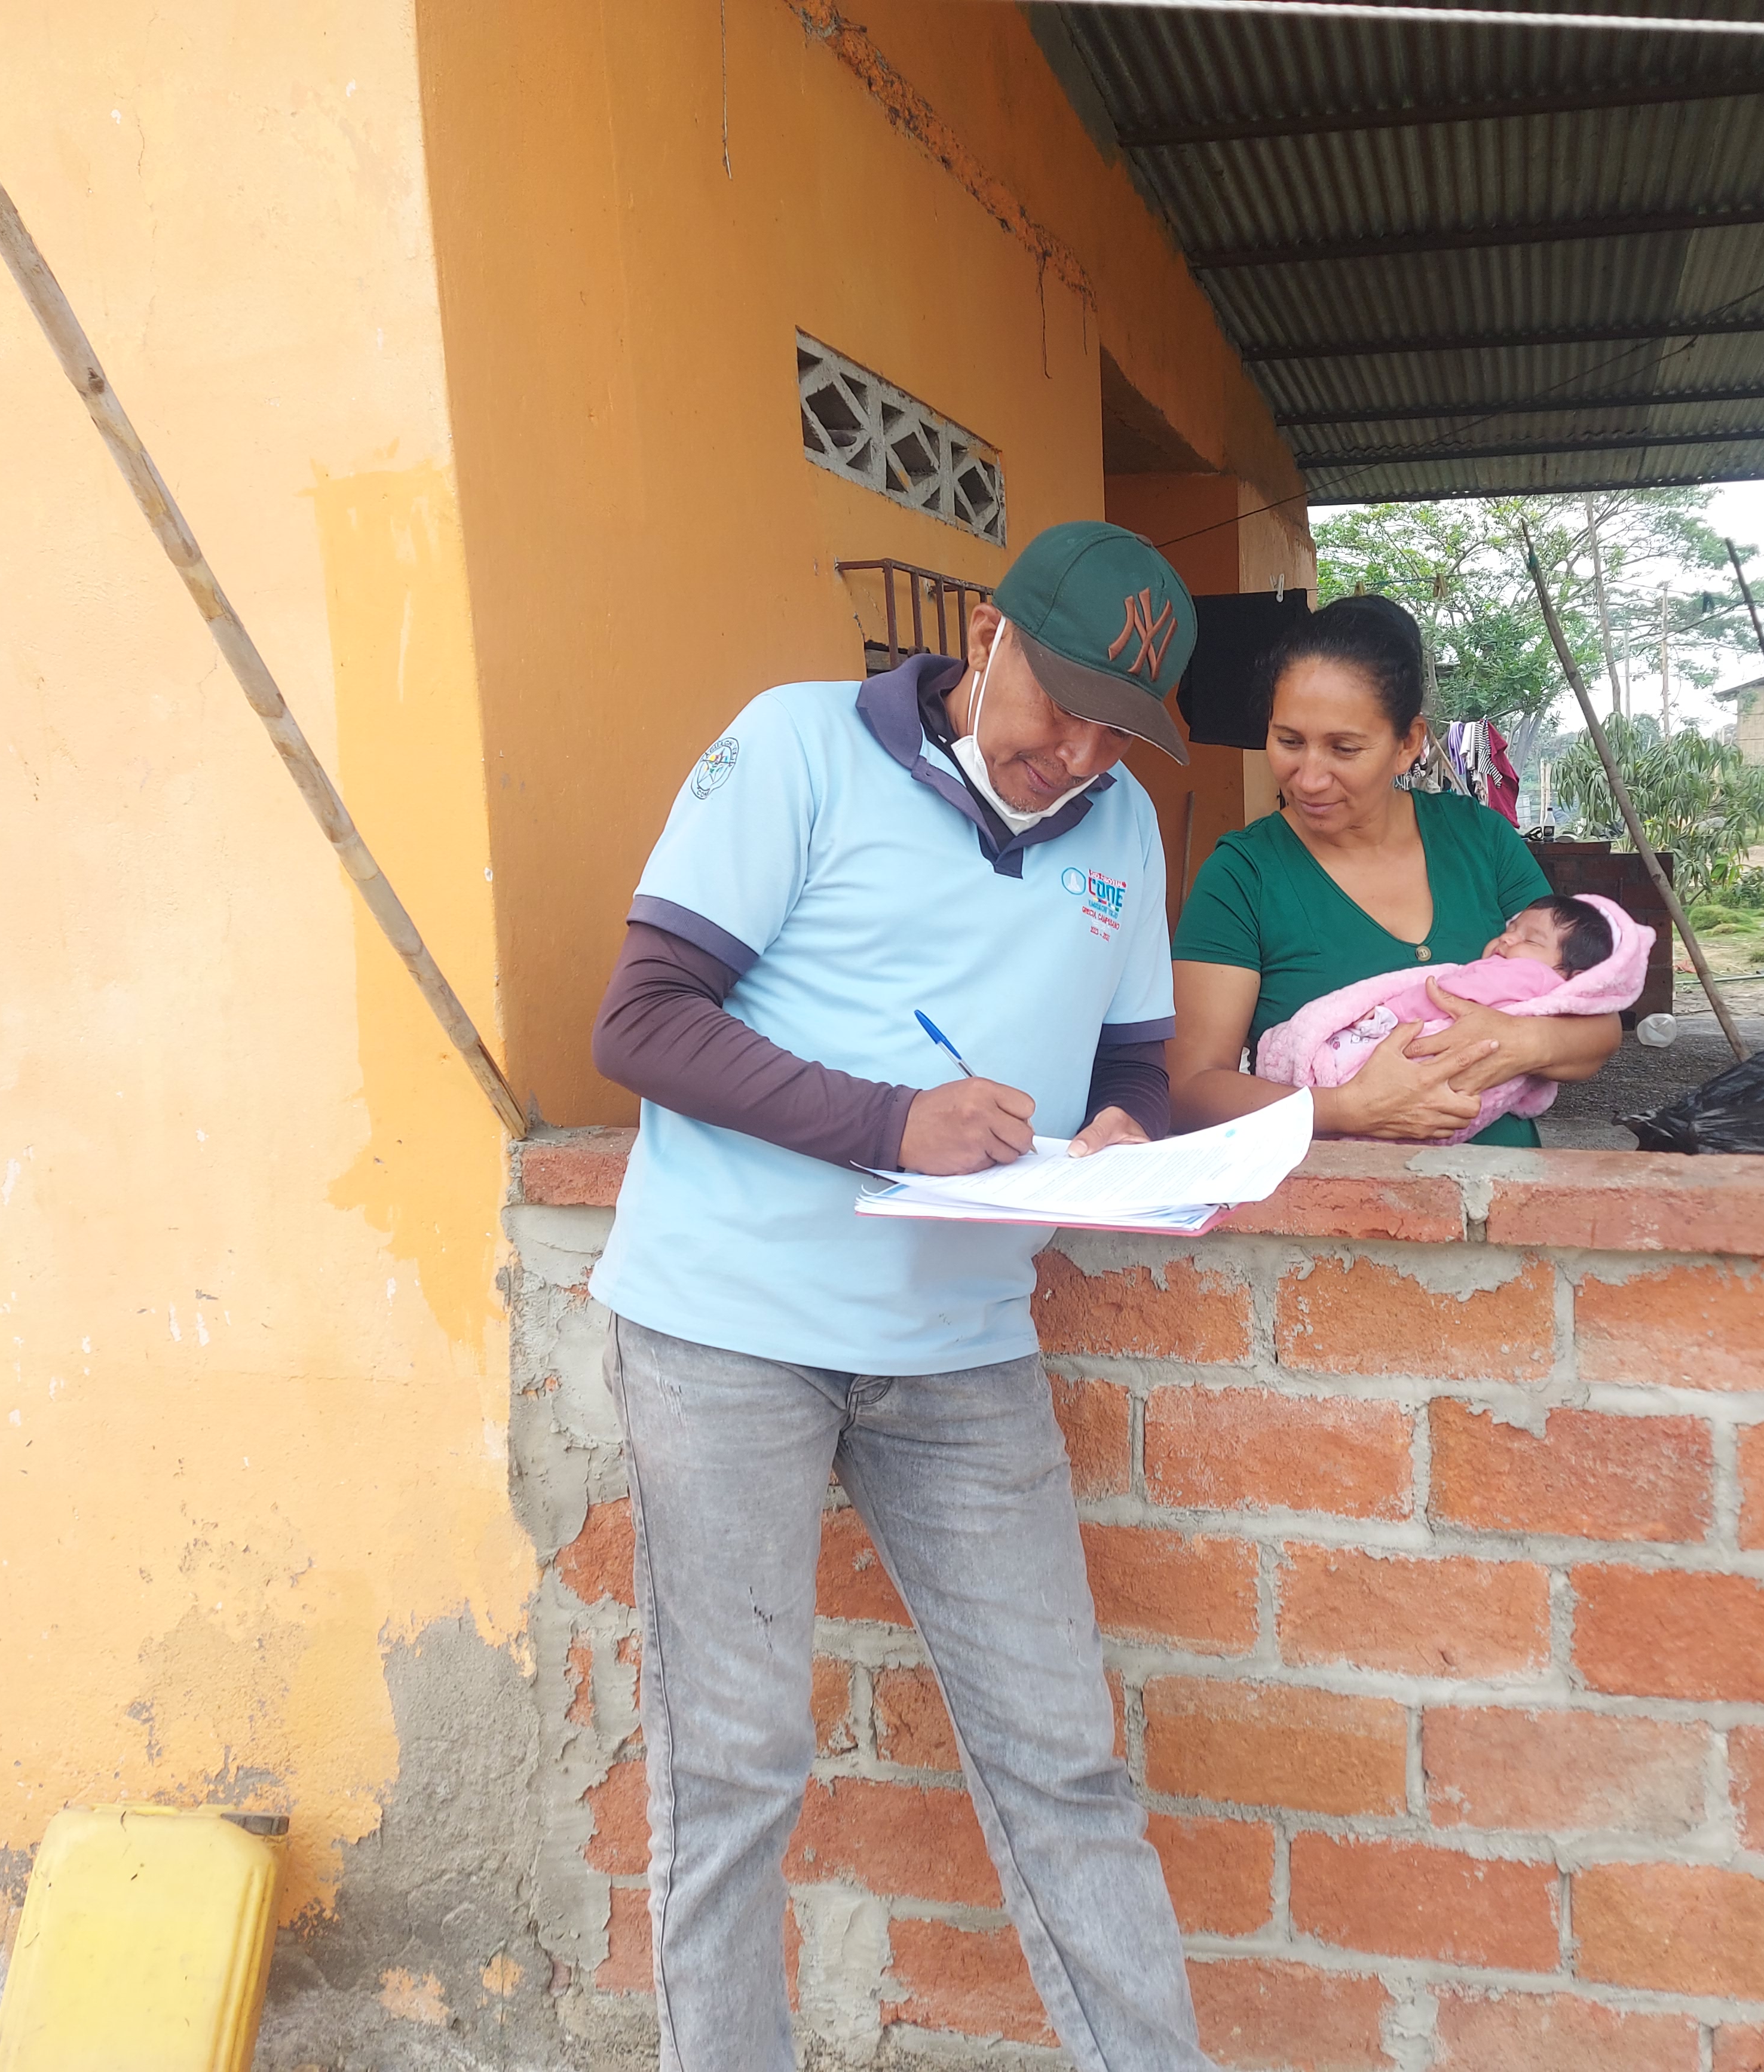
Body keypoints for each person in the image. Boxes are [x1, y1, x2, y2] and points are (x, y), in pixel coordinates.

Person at [583, 521, 1213, 2070]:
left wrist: (1125, 1128)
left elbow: (1134, 1059)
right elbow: (642, 1021)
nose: (1078, 755)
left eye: (1117, 731)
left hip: (959, 1345)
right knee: (734, 1772)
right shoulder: (797, 748)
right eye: (1059, 705)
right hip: (728, 1328)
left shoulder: (1123, 826)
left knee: (1063, 1758)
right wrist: (890, 1119)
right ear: (986, 637)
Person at [1168, 594, 1624, 1141]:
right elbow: (1190, 1091)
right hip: (1334, 1190)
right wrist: (1347, 1109)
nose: (1308, 778)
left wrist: (1517, 1041)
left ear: (1408, 743)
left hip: (1502, 1184)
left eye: (1344, 749)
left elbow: (1598, 1028)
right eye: (1289, 741)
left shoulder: (1480, 841)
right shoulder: (1244, 876)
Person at [1251, 892, 1649, 1143]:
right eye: (1512, 928)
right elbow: (1533, 1098)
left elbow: (1446, 995)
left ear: (1575, 975)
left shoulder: (1528, 975)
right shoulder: (1547, 986)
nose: (1508, 938)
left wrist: (1391, 1012)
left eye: (1529, 939)